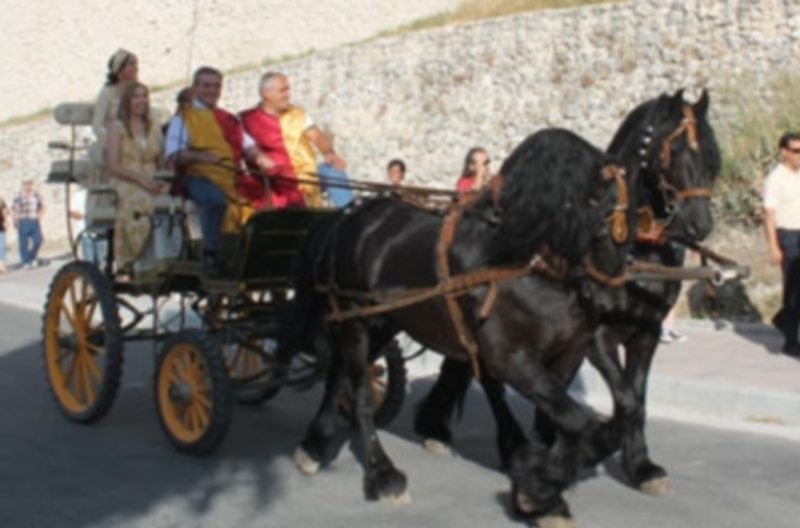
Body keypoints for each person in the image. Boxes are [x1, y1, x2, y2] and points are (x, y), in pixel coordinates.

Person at [165, 66, 272, 276]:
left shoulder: (230, 120)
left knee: (267, 201)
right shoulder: (182, 119)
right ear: (195, 88)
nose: (211, 90)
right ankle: (210, 254)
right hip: (196, 176)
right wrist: (200, 157)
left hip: (230, 176)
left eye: (216, 86)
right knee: (214, 200)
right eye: (206, 85)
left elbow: (248, 146)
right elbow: (174, 154)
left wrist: (260, 157)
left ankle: (254, 260)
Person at [240, 71, 347, 209]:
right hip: (276, 182)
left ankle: (348, 213)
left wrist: (329, 153)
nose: (288, 94)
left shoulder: (298, 114)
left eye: (288, 89)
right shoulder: (247, 120)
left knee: (333, 169)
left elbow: (317, 136)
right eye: (282, 90)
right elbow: (248, 151)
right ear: (266, 93)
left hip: (309, 175)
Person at [105, 82, 166, 272]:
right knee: (141, 200)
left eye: (144, 96)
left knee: (173, 202)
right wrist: (141, 180)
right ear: (127, 101)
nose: (141, 101)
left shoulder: (154, 128)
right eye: (136, 97)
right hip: (126, 178)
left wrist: (161, 179)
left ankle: (167, 256)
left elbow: (161, 162)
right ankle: (136, 258)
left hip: (151, 176)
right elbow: (113, 164)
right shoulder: (117, 128)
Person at [764, 132, 800, 356]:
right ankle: (791, 340)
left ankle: (782, 319)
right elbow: (768, 215)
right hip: (787, 236)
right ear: (784, 152)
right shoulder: (775, 178)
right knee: (794, 288)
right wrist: (774, 246)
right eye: (796, 151)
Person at [93, 49, 139, 143]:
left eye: (136, 65)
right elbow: (97, 126)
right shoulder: (107, 93)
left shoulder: (138, 92)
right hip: (112, 142)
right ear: (119, 68)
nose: (136, 68)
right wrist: (114, 141)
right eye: (131, 64)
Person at [11, 179, 45, 270]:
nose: (28, 186)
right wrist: (15, 220)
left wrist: (39, 216)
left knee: (38, 240)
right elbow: (14, 209)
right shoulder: (18, 196)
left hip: (34, 220)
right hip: (23, 220)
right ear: (23, 185)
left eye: (30, 184)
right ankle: (26, 261)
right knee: (23, 243)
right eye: (26, 184)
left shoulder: (36, 195)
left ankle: (32, 256)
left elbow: (42, 206)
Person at [0, 198, 7, 273]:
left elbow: (5, 213)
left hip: (1, 228)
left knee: (1, 247)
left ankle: (1, 265)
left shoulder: (2, 202)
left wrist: (6, 222)